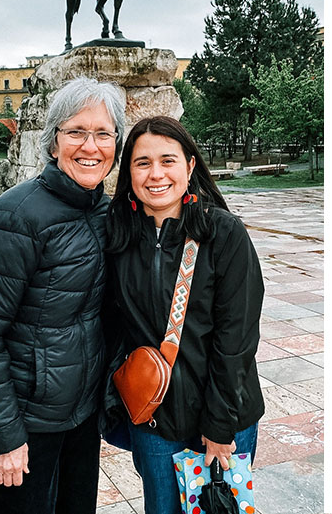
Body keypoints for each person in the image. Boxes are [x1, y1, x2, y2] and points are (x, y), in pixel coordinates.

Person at [0, 76, 125, 513]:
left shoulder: (105, 211)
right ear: (53, 143)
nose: (91, 145)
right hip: (24, 425)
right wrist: (4, 437)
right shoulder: (10, 218)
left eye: (103, 133)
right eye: (76, 132)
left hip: (80, 418)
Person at [102, 116, 265, 514]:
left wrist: (220, 425)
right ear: (129, 173)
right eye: (142, 163)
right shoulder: (118, 236)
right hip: (155, 420)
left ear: (190, 167)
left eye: (168, 160)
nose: (156, 174)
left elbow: (237, 339)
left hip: (224, 418)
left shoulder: (222, 234)